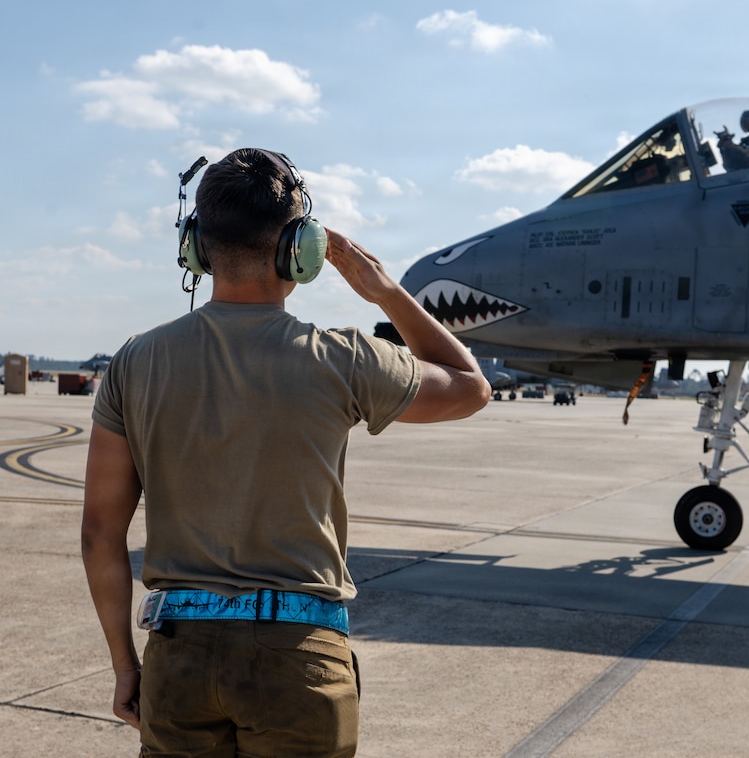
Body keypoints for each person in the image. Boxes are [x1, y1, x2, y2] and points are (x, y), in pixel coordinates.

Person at [81, 147, 491, 757]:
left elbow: (99, 533)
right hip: (300, 656)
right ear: (300, 250)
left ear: (195, 245)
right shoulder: (344, 357)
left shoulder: (135, 361)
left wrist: (125, 665)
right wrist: (385, 292)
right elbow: (470, 388)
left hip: (179, 656)